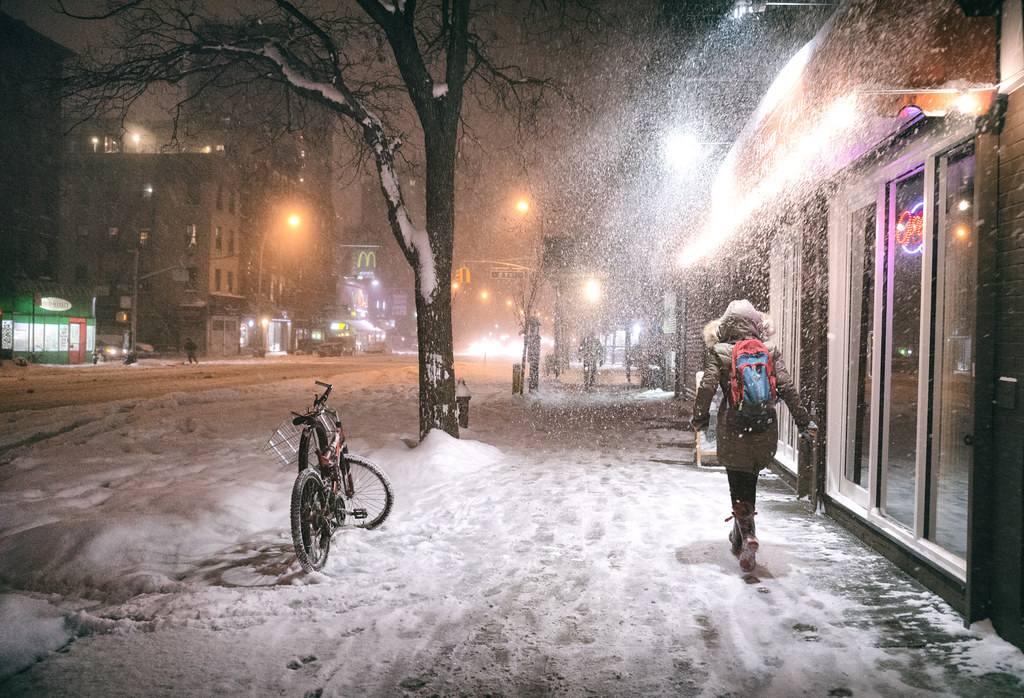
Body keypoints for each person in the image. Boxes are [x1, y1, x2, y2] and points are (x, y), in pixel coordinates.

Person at [690, 299, 817, 573]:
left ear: (725, 326)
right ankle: (740, 536)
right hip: (762, 426)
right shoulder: (768, 352)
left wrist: (699, 419)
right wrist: (804, 421)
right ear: (757, 324)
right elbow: (788, 389)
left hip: (734, 427)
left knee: (737, 481)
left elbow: (706, 389)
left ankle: (747, 535)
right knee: (750, 479)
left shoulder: (721, 351)